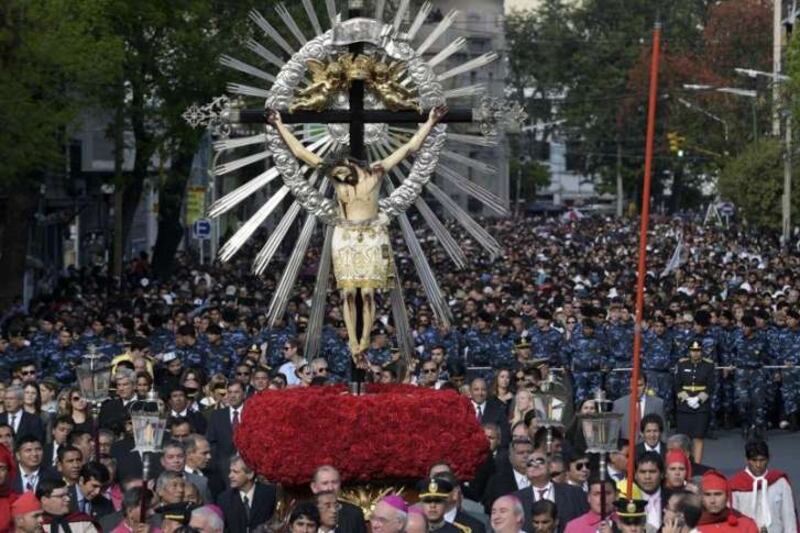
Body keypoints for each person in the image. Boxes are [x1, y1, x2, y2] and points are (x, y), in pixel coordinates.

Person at [268, 105, 448, 362]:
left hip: (372, 234)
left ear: (352, 165)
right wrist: (279, 125)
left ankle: (364, 340)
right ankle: (353, 341)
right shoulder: (336, 174)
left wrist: (430, 122)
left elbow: (409, 148)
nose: (339, 177)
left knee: (367, 293)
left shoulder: (376, 171)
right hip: (345, 235)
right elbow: (300, 152)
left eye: (343, 172)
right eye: (337, 174)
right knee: (349, 293)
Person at [729, 439, 797, 533]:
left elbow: (789, 518)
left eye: (762, 460)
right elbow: (733, 520)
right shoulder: (736, 485)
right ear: (746, 459)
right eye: (754, 460)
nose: (758, 465)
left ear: (768, 459)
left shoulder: (780, 483)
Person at [513, 448, 587, 532]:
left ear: (550, 467)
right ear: (526, 471)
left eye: (540, 461)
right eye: (530, 464)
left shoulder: (575, 493)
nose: (535, 465)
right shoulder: (515, 500)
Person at [675, 341, 715, 463]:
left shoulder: (708, 365)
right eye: (693, 350)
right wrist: (687, 398)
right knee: (683, 438)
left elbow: (711, 386)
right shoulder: (682, 364)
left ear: (701, 351)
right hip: (684, 405)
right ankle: (683, 464)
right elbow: (677, 385)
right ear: (689, 351)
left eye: (698, 351)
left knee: (698, 437)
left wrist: (698, 399)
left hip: (701, 406)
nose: (695, 353)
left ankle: (697, 465)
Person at [216, 454, 276, 533]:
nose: (230, 476)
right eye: (230, 471)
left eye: (235, 472)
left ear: (250, 474)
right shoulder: (224, 499)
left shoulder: (270, 494)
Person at [309, 465, 366, 533]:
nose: (330, 488)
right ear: (314, 487)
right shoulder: (304, 513)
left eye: (334, 482)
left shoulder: (354, 514)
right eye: (325, 483)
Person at [612, 374, 665, 442]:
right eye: (633, 385)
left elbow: (663, 432)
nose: (636, 389)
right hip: (627, 447)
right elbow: (613, 433)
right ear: (630, 386)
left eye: (640, 385)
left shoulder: (658, 403)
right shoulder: (618, 404)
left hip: (649, 446)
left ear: (646, 386)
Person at [634, 452, 666, 531]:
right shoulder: (629, 499)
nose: (647, 477)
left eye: (652, 472)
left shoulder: (672, 499)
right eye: (642, 472)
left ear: (662, 474)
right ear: (635, 475)